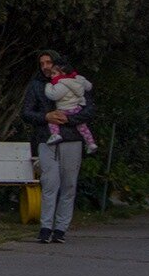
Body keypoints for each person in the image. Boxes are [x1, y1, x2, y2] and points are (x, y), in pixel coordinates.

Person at [21, 49, 95, 244]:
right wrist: (45, 117)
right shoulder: (36, 85)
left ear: (57, 64)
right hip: (46, 139)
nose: (45, 66)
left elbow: (89, 110)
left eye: (48, 62)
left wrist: (67, 118)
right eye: (42, 63)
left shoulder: (76, 81)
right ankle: (45, 227)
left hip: (71, 138)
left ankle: (61, 228)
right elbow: (27, 112)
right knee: (49, 182)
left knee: (69, 184)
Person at [44, 59, 100, 153]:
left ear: (63, 73)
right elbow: (89, 86)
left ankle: (55, 135)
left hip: (64, 109)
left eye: (54, 73)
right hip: (76, 108)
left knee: (52, 120)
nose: (52, 76)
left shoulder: (61, 84)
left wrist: (48, 86)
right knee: (83, 127)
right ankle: (91, 143)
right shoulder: (77, 79)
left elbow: (53, 95)